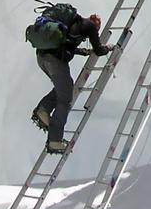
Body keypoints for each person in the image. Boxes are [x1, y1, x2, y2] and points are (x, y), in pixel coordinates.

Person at [30, 8, 114, 154]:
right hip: (55, 61)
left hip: (42, 58)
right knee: (65, 98)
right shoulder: (90, 27)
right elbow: (99, 50)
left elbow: (66, 44)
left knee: (62, 87)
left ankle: (43, 111)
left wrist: (82, 51)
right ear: (97, 25)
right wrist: (109, 47)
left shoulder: (73, 24)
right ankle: (55, 140)